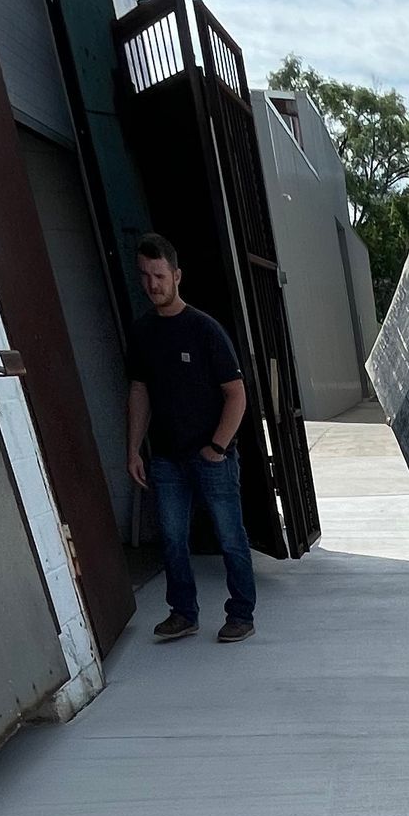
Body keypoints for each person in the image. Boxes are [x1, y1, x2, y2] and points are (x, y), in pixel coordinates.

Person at [126, 234, 258, 643]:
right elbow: (140, 390)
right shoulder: (144, 331)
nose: (153, 285)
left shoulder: (204, 330)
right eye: (145, 276)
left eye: (160, 275)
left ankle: (241, 614)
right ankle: (183, 613)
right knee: (172, 539)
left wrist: (217, 447)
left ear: (177, 276)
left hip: (212, 457)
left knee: (231, 539)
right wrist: (133, 449)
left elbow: (236, 394)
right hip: (166, 458)